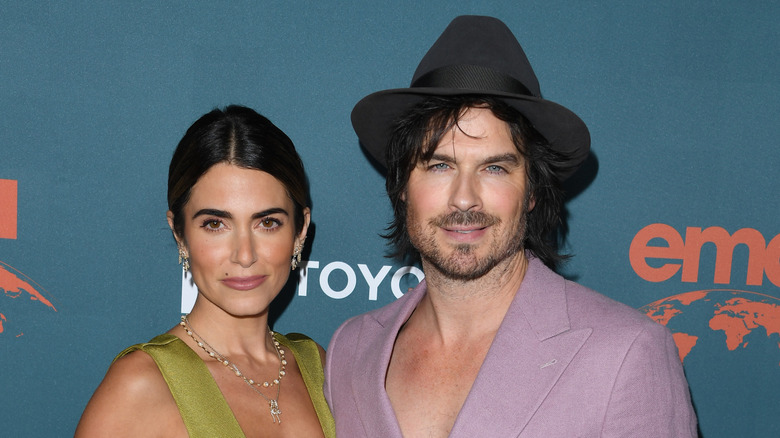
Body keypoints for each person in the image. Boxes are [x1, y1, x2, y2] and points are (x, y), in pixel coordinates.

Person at [324, 15, 697, 437]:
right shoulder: (350, 350)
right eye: (440, 165)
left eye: (495, 168)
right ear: (403, 186)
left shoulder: (626, 353)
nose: (465, 198)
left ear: (532, 191)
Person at [76, 105, 335, 438]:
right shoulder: (139, 387)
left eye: (267, 223)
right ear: (179, 234)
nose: (244, 255)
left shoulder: (320, 368)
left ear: (300, 231)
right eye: (215, 224)